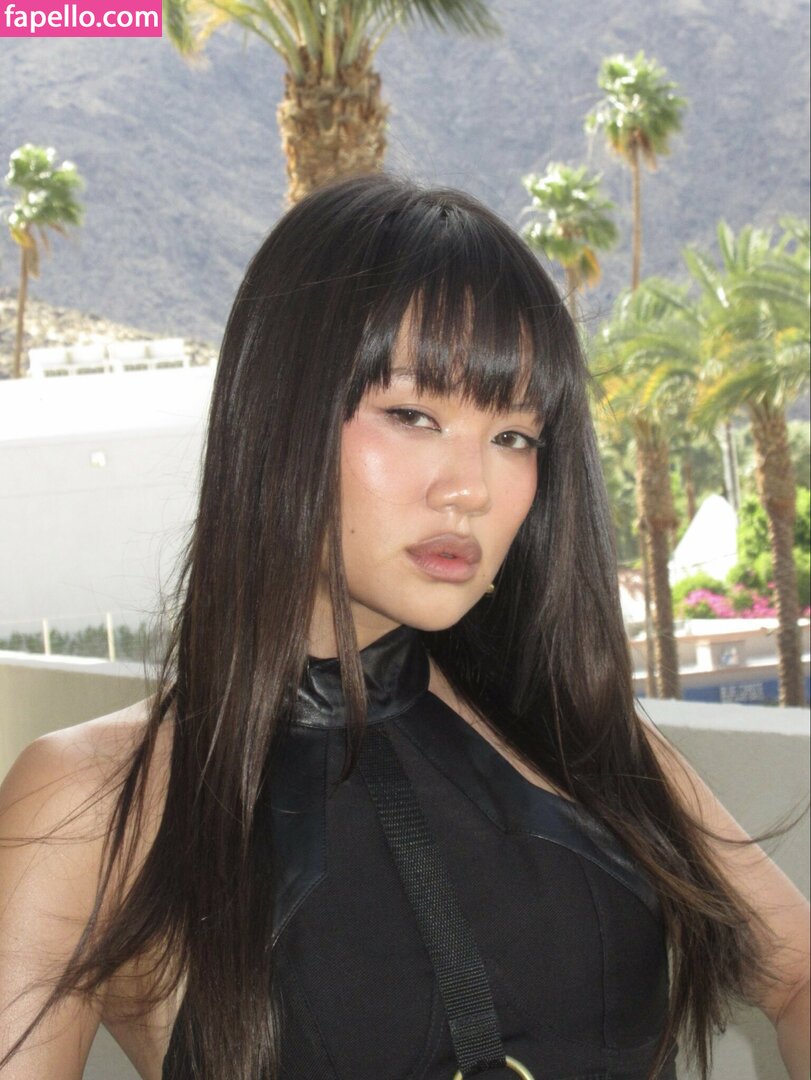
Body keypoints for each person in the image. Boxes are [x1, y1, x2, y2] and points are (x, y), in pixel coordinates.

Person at [0, 174, 808, 1080]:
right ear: (278, 416)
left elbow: (797, 974)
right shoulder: (89, 804)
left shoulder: (570, 729)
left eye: (514, 436)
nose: (470, 489)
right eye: (413, 415)